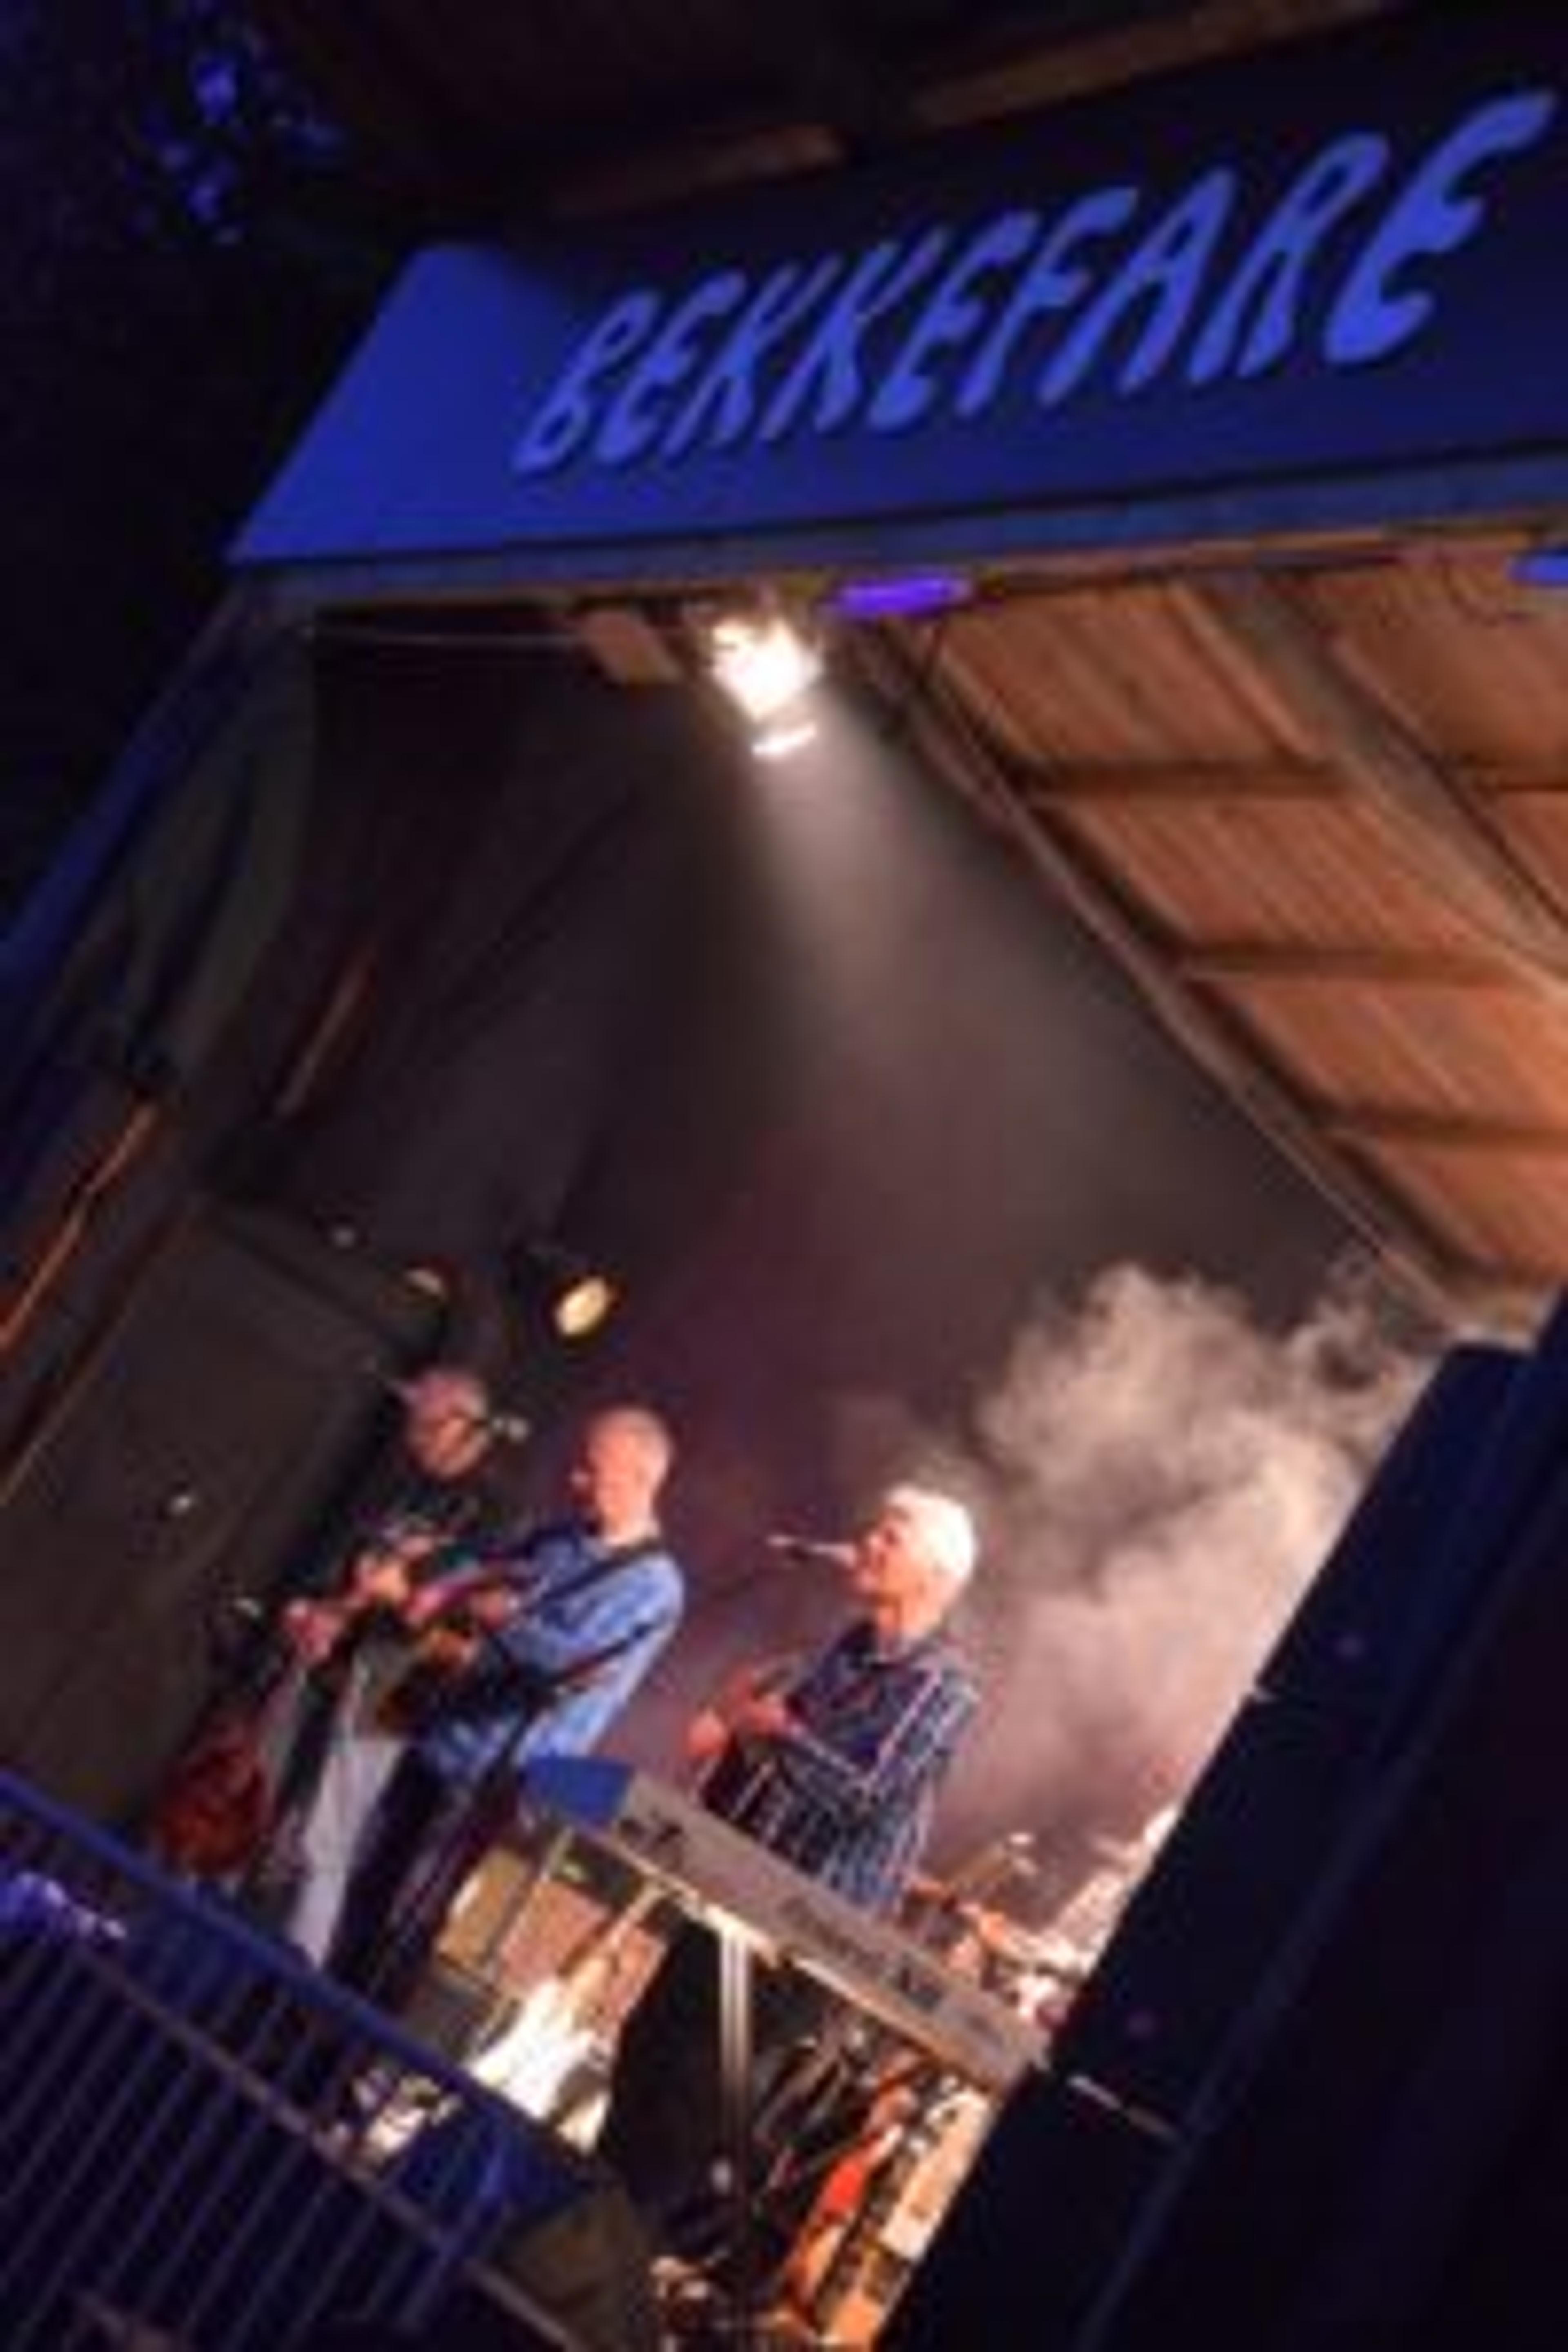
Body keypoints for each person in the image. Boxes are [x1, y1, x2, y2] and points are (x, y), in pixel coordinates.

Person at [595, 1481, 981, 2267]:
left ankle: (606, 2270)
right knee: (646, 2051)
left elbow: (862, 1791)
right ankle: (575, 2235)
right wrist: (733, 1728)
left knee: (692, 2101)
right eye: (874, 1529)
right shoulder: (846, 1646)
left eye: (891, 1538)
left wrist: (772, 1729)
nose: (868, 1542)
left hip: (803, 1933)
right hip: (736, 1894)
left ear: (937, 1577)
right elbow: (774, 1751)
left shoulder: (943, 1686)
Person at [325, 1402, 685, 2014]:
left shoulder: (654, 1586)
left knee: (406, 1921)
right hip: (437, 1734)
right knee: (365, 1887)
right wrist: (441, 1585)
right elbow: (486, 1566)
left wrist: (501, 1618)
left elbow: (570, 1666)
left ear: (640, 1477)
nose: (575, 1480)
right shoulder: (561, 1537)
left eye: (592, 1471)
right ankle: (303, 2022)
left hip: (493, 1772)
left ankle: (338, 2050)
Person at [255, 1363, 507, 1962]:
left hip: (411, 1678)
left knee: (331, 1835)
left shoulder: (495, 1512)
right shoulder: (408, 1487)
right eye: (413, 1421)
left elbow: (447, 1606)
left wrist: (398, 1588)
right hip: (347, 1659)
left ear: (464, 1426)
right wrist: (312, 1607)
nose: (413, 1434)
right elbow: (357, 1564)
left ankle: (293, 1976)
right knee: (274, 1805)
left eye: (425, 1423)